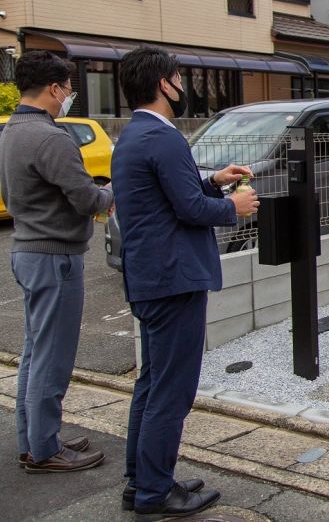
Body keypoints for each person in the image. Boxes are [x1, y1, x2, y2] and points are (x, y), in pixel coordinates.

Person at [112, 46, 259, 517]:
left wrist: (213, 179)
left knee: (152, 384)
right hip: (174, 278)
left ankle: (143, 480)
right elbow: (189, 209)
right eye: (178, 77)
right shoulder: (164, 137)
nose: (183, 86)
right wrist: (231, 206)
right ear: (163, 84)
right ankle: (156, 493)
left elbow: (169, 192)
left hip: (149, 276)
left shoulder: (133, 135)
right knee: (171, 392)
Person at [0, 51, 113, 473]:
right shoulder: (51, 138)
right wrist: (111, 194)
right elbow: (87, 199)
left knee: (35, 350)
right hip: (54, 257)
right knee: (53, 355)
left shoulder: (11, 131)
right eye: (67, 87)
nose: (69, 94)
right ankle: (45, 450)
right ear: (53, 88)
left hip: (26, 249)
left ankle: (35, 439)